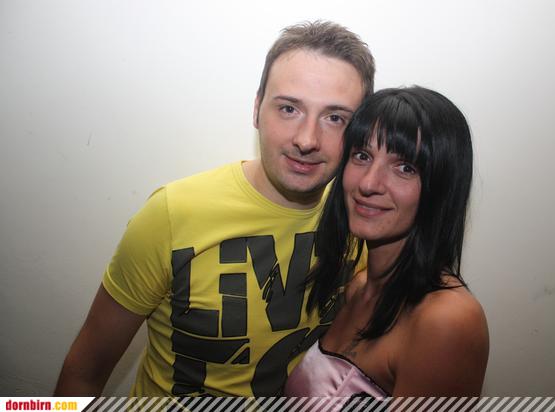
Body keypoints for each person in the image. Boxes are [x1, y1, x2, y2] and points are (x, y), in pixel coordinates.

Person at [54, 21, 375, 397]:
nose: (307, 139)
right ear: (256, 110)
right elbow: (85, 369)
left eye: (335, 118)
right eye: (289, 108)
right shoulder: (172, 215)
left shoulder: (364, 219)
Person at [284, 87, 489, 400]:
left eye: (405, 167)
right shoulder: (358, 287)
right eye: (362, 156)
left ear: (441, 187)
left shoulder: (446, 320)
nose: (368, 183)